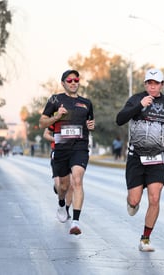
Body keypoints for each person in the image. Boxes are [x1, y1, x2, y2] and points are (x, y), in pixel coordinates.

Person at [116, 68, 164, 252]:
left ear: (162, 85)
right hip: (136, 157)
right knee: (134, 200)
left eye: (156, 83)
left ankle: (145, 239)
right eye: (149, 83)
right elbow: (120, 119)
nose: (152, 87)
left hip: (157, 158)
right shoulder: (135, 99)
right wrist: (139, 105)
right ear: (145, 84)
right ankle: (131, 201)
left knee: (154, 198)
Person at [39, 69, 95, 235]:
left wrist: (91, 126)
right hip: (62, 148)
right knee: (63, 186)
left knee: (77, 181)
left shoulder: (87, 103)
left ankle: (75, 222)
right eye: (69, 80)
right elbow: (42, 123)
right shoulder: (56, 99)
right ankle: (62, 203)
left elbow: (89, 124)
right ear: (63, 83)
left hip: (80, 147)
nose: (73, 83)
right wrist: (57, 117)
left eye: (76, 80)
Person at [43, 126, 73, 220]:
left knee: (71, 185)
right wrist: (58, 139)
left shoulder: (77, 117)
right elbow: (45, 134)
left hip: (72, 152)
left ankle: (66, 210)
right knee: (59, 185)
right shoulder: (57, 117)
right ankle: (60, 198)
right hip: (58, 153)